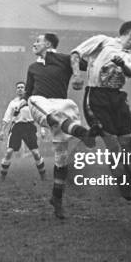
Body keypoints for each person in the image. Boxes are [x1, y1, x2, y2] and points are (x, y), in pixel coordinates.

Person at [18, 33, 97, 219]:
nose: (34, 43)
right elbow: (28, 93)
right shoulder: (33, 67)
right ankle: (81, 132)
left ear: (48, 43)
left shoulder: (65, 59)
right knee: (35, 99)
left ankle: (57, 198)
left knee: (61, 158)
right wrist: (21, 105)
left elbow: (88, 65)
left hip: (61, 106)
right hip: (40, 104)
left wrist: (77, 69)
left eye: (38, 41)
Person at [71, 21, 131, 148]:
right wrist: (77, 75)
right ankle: (115, 162)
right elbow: (76, 53)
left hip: (118, 97)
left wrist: (122, 64)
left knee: (128, 142)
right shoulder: (103, 41)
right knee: (112, 143)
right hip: (97, 95)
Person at [0, 81, 45, 181]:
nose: (20, 89)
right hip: (17, 127)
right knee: (9, 152)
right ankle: (2, 176)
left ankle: (43, 175)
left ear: (25, 90)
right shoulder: (13, 103)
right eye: (18, 87)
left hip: (29, 127)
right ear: (16, 90)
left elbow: (39, 116)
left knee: (36, 153)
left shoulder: (31, 102)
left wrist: (43, 129)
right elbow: (6, 118)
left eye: (22, 87)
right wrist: (2, 131)